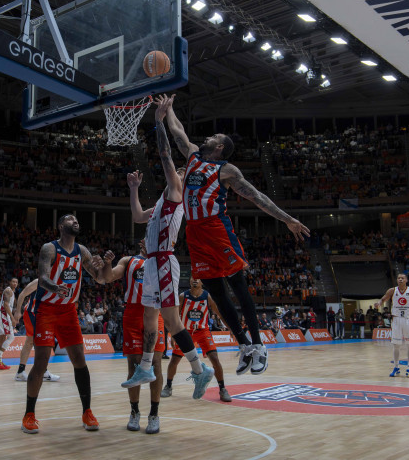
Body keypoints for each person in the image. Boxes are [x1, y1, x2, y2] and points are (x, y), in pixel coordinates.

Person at [162, 93, 310, 375]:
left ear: (219, 147)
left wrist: (288, 219)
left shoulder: (226, 169)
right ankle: (243, 346)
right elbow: (178, 133)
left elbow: (257, 197)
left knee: (239, 289)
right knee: (217, 295)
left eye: (213, 137)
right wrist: (168, 110)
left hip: (218, 231)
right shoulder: (193, 156)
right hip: (195, 234)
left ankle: (259, 345)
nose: (206, 137)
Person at [118, 94, 215, 400]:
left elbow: (164, 154)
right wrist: (134, 190)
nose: (181, 173)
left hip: (162, 262)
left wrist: (159, 122)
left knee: (171, 322)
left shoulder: (176, 192)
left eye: (185, 173)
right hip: (152, 264)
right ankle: (147, 366)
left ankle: (200, 370)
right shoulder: (162, 201)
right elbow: (136, 217)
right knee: (151, 318)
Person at [21, 214, 106, 434]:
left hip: (69, 311)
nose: (76, 221)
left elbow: (100, 277)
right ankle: (29, 415)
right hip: (47, 310)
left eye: (77, 219)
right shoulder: (49, 249)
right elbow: (43, 277)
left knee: (80, 360)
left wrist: (105, 264)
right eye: (70, 220)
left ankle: (87, 412)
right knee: (41, 362)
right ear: (61, 226)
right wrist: (56, 288)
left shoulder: (83, 251)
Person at [100, 247, 165, 434]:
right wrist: (107, 263)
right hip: (133, 313)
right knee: (134, 365)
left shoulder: (162, 260)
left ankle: (154, 414)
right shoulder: (128, 260)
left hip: (155, 310)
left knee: (156, 363)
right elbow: (108, 277)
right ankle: (134, 412)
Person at [161, 277, 232, 403]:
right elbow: (175, 317)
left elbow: (220, 313)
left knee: (215, 358)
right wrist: (173, 334)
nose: (195, 279)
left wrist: (230, 328)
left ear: (202, 282)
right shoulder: (183, 296)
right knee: (174, 360)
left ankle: (222, 389)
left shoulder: (207, 297)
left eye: (198, 278)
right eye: (192, 277)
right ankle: (168, 386)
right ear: (189, 281)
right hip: (185, 331)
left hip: (202, 331)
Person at [11, 279, 59, 383]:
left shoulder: (55, 283)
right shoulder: (39, 281)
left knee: (29, 342)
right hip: (32, 314)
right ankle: (43, 372)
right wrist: (18, 312)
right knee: (42, 343)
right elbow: (22, 294)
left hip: (42, 316)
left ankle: (20, 372)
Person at [0, 278, 18, 370]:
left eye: (16, 282)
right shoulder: (8, 291)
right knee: (11, 337)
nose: (15, 283)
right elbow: (6, 305)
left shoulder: (11, 292)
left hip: (1, 314)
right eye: (13, 281)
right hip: (3, 314)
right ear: (10, 282)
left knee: (2, 338)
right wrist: (12, 318)